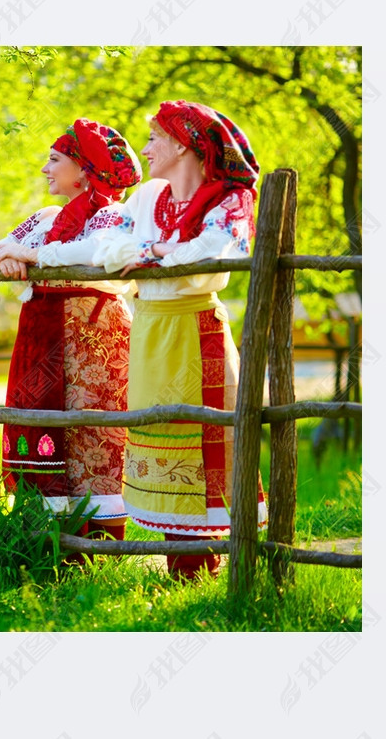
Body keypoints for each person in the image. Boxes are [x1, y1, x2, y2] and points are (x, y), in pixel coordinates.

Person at [100, 101, 267, 580]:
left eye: (153, 138)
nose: (146, 149)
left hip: (197, 330)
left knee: (206, 438)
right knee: (162, 432)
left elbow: (213, 253)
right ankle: (185, 564)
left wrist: (151, 252)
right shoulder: (148, 196)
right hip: (150, 326)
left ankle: (211, 564)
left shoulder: (229, 201)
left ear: (180, 144)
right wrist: (153, 252)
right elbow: (111, 246)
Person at [0, 118, 141, 546]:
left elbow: (95, 253)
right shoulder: (46, 218)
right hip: (41, 337)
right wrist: (8, 257)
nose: (45, 169)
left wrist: (28, 255)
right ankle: (44, 543)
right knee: (45, 427)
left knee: (93, 434)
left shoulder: (112, 215)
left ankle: (99, 547)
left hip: (94, 341)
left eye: (54, 159)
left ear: (83, 168)